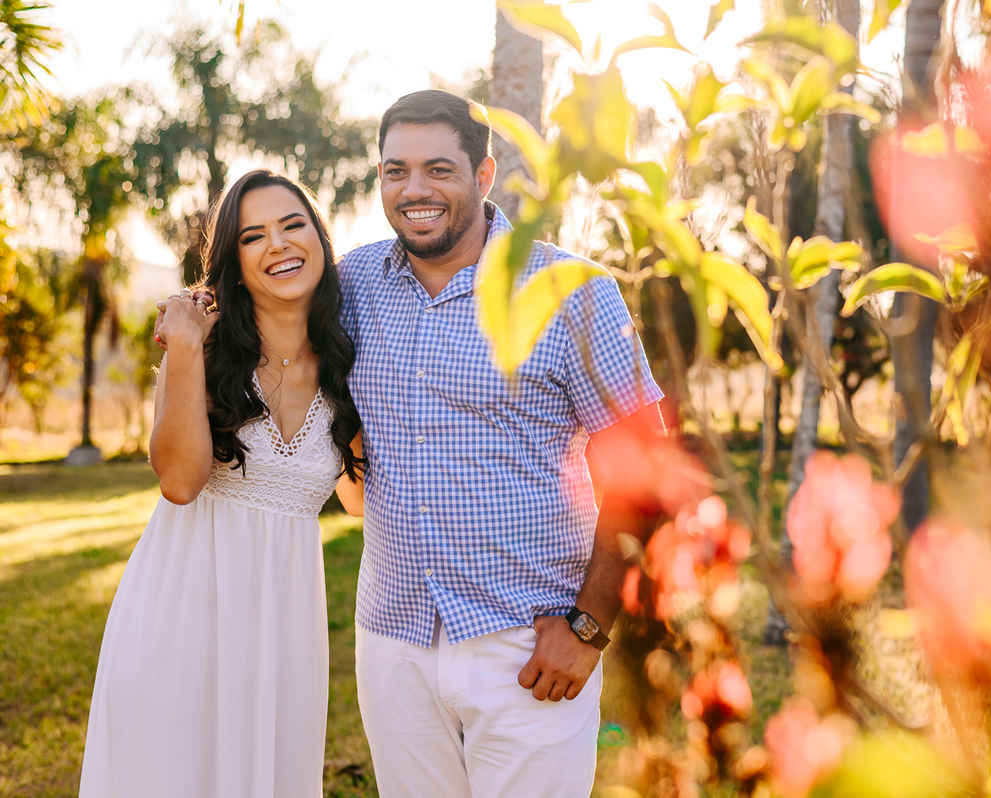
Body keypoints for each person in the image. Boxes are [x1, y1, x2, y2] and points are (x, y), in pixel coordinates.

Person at [337, 89, 664, 798]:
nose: (413, 190)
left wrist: (588, 626)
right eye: (395, 171)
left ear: (483, 177)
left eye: (438, 170)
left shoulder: (573, 291)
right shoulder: (354, 283)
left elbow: (647, 469)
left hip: (529, 644)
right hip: (393, 641)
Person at [78, 169, 365, 798]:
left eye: (294, 225)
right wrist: (181, 345)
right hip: (180, 611)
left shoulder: (352, 363)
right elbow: (179, 481)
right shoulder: (202, 352)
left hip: (283, 627)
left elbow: (359, 501)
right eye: (253, 236)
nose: (279, 246)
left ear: (320, 236)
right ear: (233, 261)